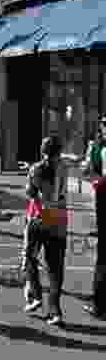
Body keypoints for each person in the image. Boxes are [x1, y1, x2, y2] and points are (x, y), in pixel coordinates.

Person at [22, 135, 68, 326]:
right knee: (55, 267)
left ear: (43, 152)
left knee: (29, 257)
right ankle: (55, 310)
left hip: (38, 218)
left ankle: (35, 294)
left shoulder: (36, 169)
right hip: (58, 220)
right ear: (59, 152)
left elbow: (30, 192)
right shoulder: (64, 169)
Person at [81, 118, 106, 319]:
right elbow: (88, 172)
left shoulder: (103, 149)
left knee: (103, 259)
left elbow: (91, 175)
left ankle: (99, 304)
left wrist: (97, 180)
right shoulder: (99, 147)